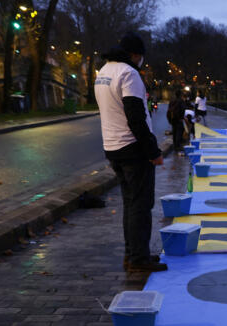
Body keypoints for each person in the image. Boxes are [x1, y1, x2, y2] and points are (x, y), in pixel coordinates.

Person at [93, 32, 166, 273]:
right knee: (141, 205)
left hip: (112, 147)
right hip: (133, 148)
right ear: (135, 55)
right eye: (141, 57)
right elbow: (135, 117)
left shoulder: (103, 72)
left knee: (130, 203)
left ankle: (132, 253)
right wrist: (153, 151)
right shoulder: (129, 73)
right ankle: (139, 258)